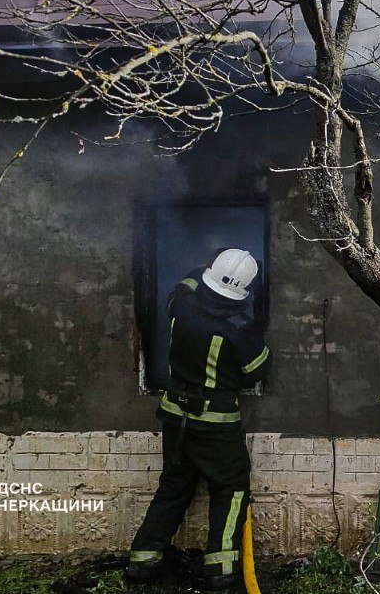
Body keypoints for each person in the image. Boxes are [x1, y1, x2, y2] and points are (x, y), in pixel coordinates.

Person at [126, 248, 271, 591]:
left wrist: (212, 262)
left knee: (174, 487)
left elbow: (188, 279)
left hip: (176, 415)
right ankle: (221, 569)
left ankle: (143, 562)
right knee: (231, 490)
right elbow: (256, 370)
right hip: (216, 426)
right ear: (243, 292)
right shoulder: (239, 329)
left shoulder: (181, 303)